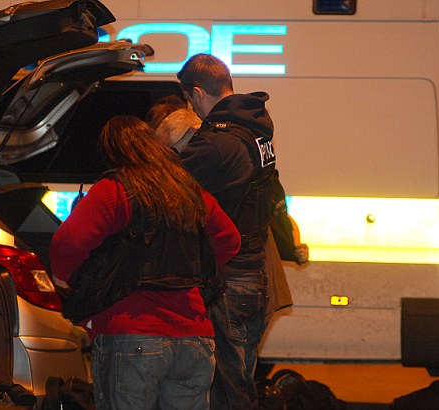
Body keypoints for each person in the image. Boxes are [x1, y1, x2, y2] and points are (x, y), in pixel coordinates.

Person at [50, 115, 241, 410]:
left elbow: (68, 242)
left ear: (112, 152)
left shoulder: (115, 189)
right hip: (195, 335)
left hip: (130, 333)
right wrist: (195, 273)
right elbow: (230, 240)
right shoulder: (189, 192)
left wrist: (66, 279)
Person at [176, 53, 277, 409]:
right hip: (252, 272)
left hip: (230, 277)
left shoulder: (216, 141)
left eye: (190, 100)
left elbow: (165, 185)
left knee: (227, 389)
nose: (193, 109)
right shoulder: (255, 129)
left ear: (199, 92)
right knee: (240, 379)